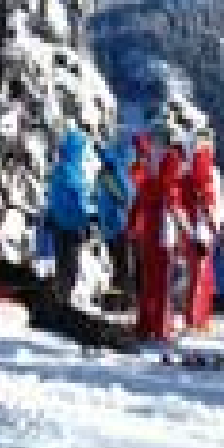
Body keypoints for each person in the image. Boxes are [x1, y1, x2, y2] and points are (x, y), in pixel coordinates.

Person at [133, 142, 188, 341]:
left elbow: (139, 193)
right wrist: (186, 231)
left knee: (149, 282)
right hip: (163, 235)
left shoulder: (149, 180)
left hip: (148, 233)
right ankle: (161, 328)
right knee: (163, 284)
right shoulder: (169, 184)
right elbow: (174, 207)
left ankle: (145, 325)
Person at [44, 126, 98, 306]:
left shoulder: (59, 169)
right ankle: (62, 303)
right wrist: (87, 220)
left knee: (63, 265)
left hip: (59, 225)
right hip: (71, 227)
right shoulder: (73, 172)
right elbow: (79, 201)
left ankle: (59, 300)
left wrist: (50, 216)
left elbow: (52, 198)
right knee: (70, 268)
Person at [181, 137, 223, 331]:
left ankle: (199, 317)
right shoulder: (200, 179)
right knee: (198, 277)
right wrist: (211, 229)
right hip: (200, 233)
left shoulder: (192, 177)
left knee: (201, 276)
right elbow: (204, 207)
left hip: (198, 232)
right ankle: (194, 319)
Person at [94, 135, 137, 310]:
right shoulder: (117, 171)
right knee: (123, 266)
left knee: (118, 265)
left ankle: (117, 301)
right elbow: (127, 197)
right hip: (119, 224)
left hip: (110, 225)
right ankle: (121, 303)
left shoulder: (106, 171)